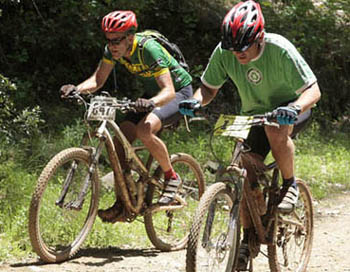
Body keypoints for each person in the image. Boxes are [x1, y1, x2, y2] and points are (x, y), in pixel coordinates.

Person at [179, 0, 321, 269]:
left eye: (243, 48)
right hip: (253, 113)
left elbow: (313, 91)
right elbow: (208, 89)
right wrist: (197, 101)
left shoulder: (280, 49)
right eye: (232, 48)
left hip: (293, 108)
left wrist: (293, 107)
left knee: (274, 129)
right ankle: (249, 237)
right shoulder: (225, 52)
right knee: (242, 165)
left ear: (259, 38)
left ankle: (289, 184)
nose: (237, 54)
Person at [60, 10, 193, 223]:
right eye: (109, 40)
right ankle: (124, 201)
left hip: (178, 92)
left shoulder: (148, 49)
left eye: (116, 40)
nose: (111, 45)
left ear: (130, 37)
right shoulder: (111, 51)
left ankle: (171, 176)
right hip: (152, 94)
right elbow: (98, 80)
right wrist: (76, 89)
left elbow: (168, 91)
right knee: (120, 139)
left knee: (144, 129)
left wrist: (151, 103)